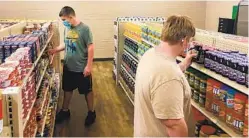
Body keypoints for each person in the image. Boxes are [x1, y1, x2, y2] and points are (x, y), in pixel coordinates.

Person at [134, 15, 197, 137]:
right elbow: (174, 125)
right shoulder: (168, 75)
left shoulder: (151, 54)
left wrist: (184, 64)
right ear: (183, 41)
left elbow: (159, 81)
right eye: (189, 40)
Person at [49, 6, 96, 126]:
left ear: (71, 16)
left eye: (64, 20)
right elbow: (66, 43)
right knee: (67, 90)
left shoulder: (85, 29)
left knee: (87, 91)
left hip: (81, 68)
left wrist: (89, 66)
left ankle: (91, 112)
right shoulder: (67, 28)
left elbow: (91, 47)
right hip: (68, 67)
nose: (63, 22)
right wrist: (55, 50)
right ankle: (65, 111)